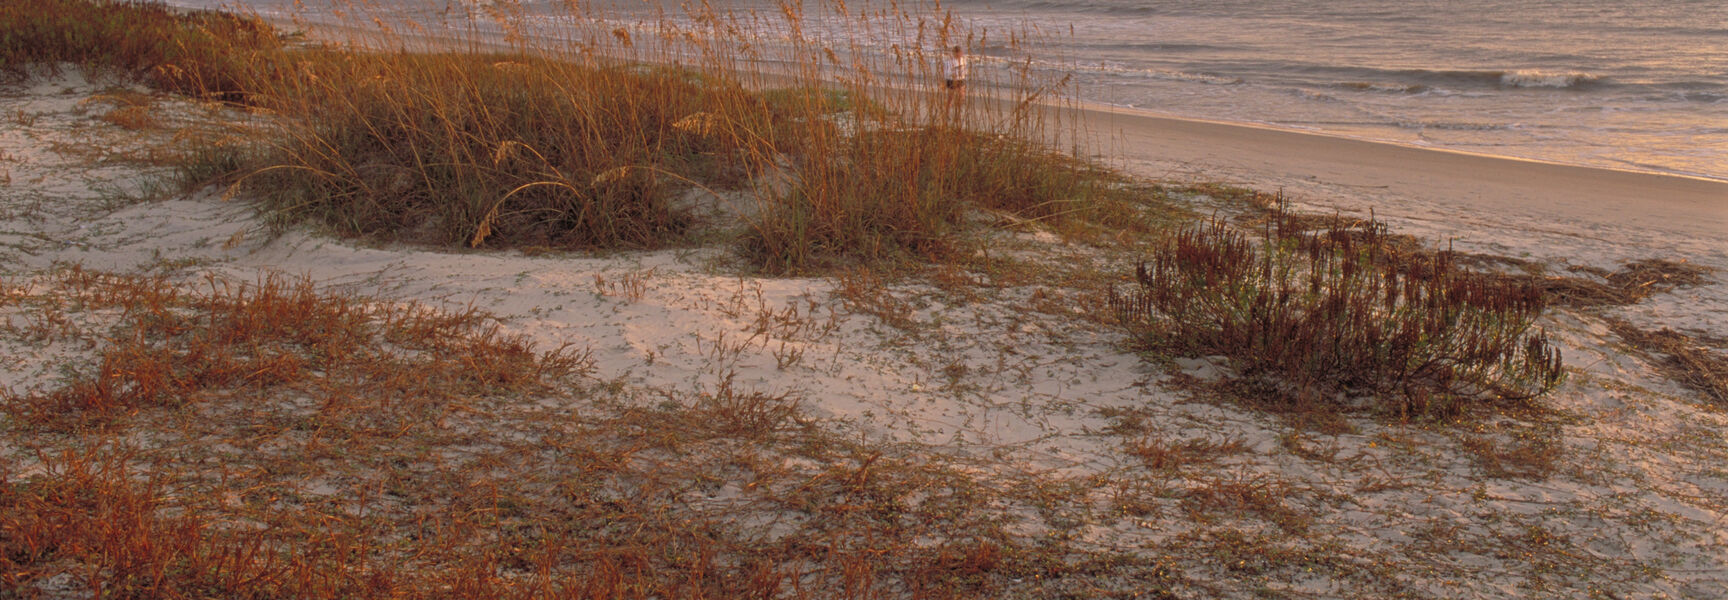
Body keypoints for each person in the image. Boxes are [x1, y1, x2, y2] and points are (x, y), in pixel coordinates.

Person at [942, 45, 968, 117]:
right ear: (954, 53)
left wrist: (964, 74)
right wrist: (953, 74)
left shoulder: (963, 60)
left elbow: (965, 69)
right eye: (957, 53)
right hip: (951, 80)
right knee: (950, 98)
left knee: (962, 97)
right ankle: (946, 113)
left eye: (960, 53)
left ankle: (958, 112)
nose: (959, 54)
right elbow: (945, 73)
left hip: (961, 80)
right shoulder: (949, 62)